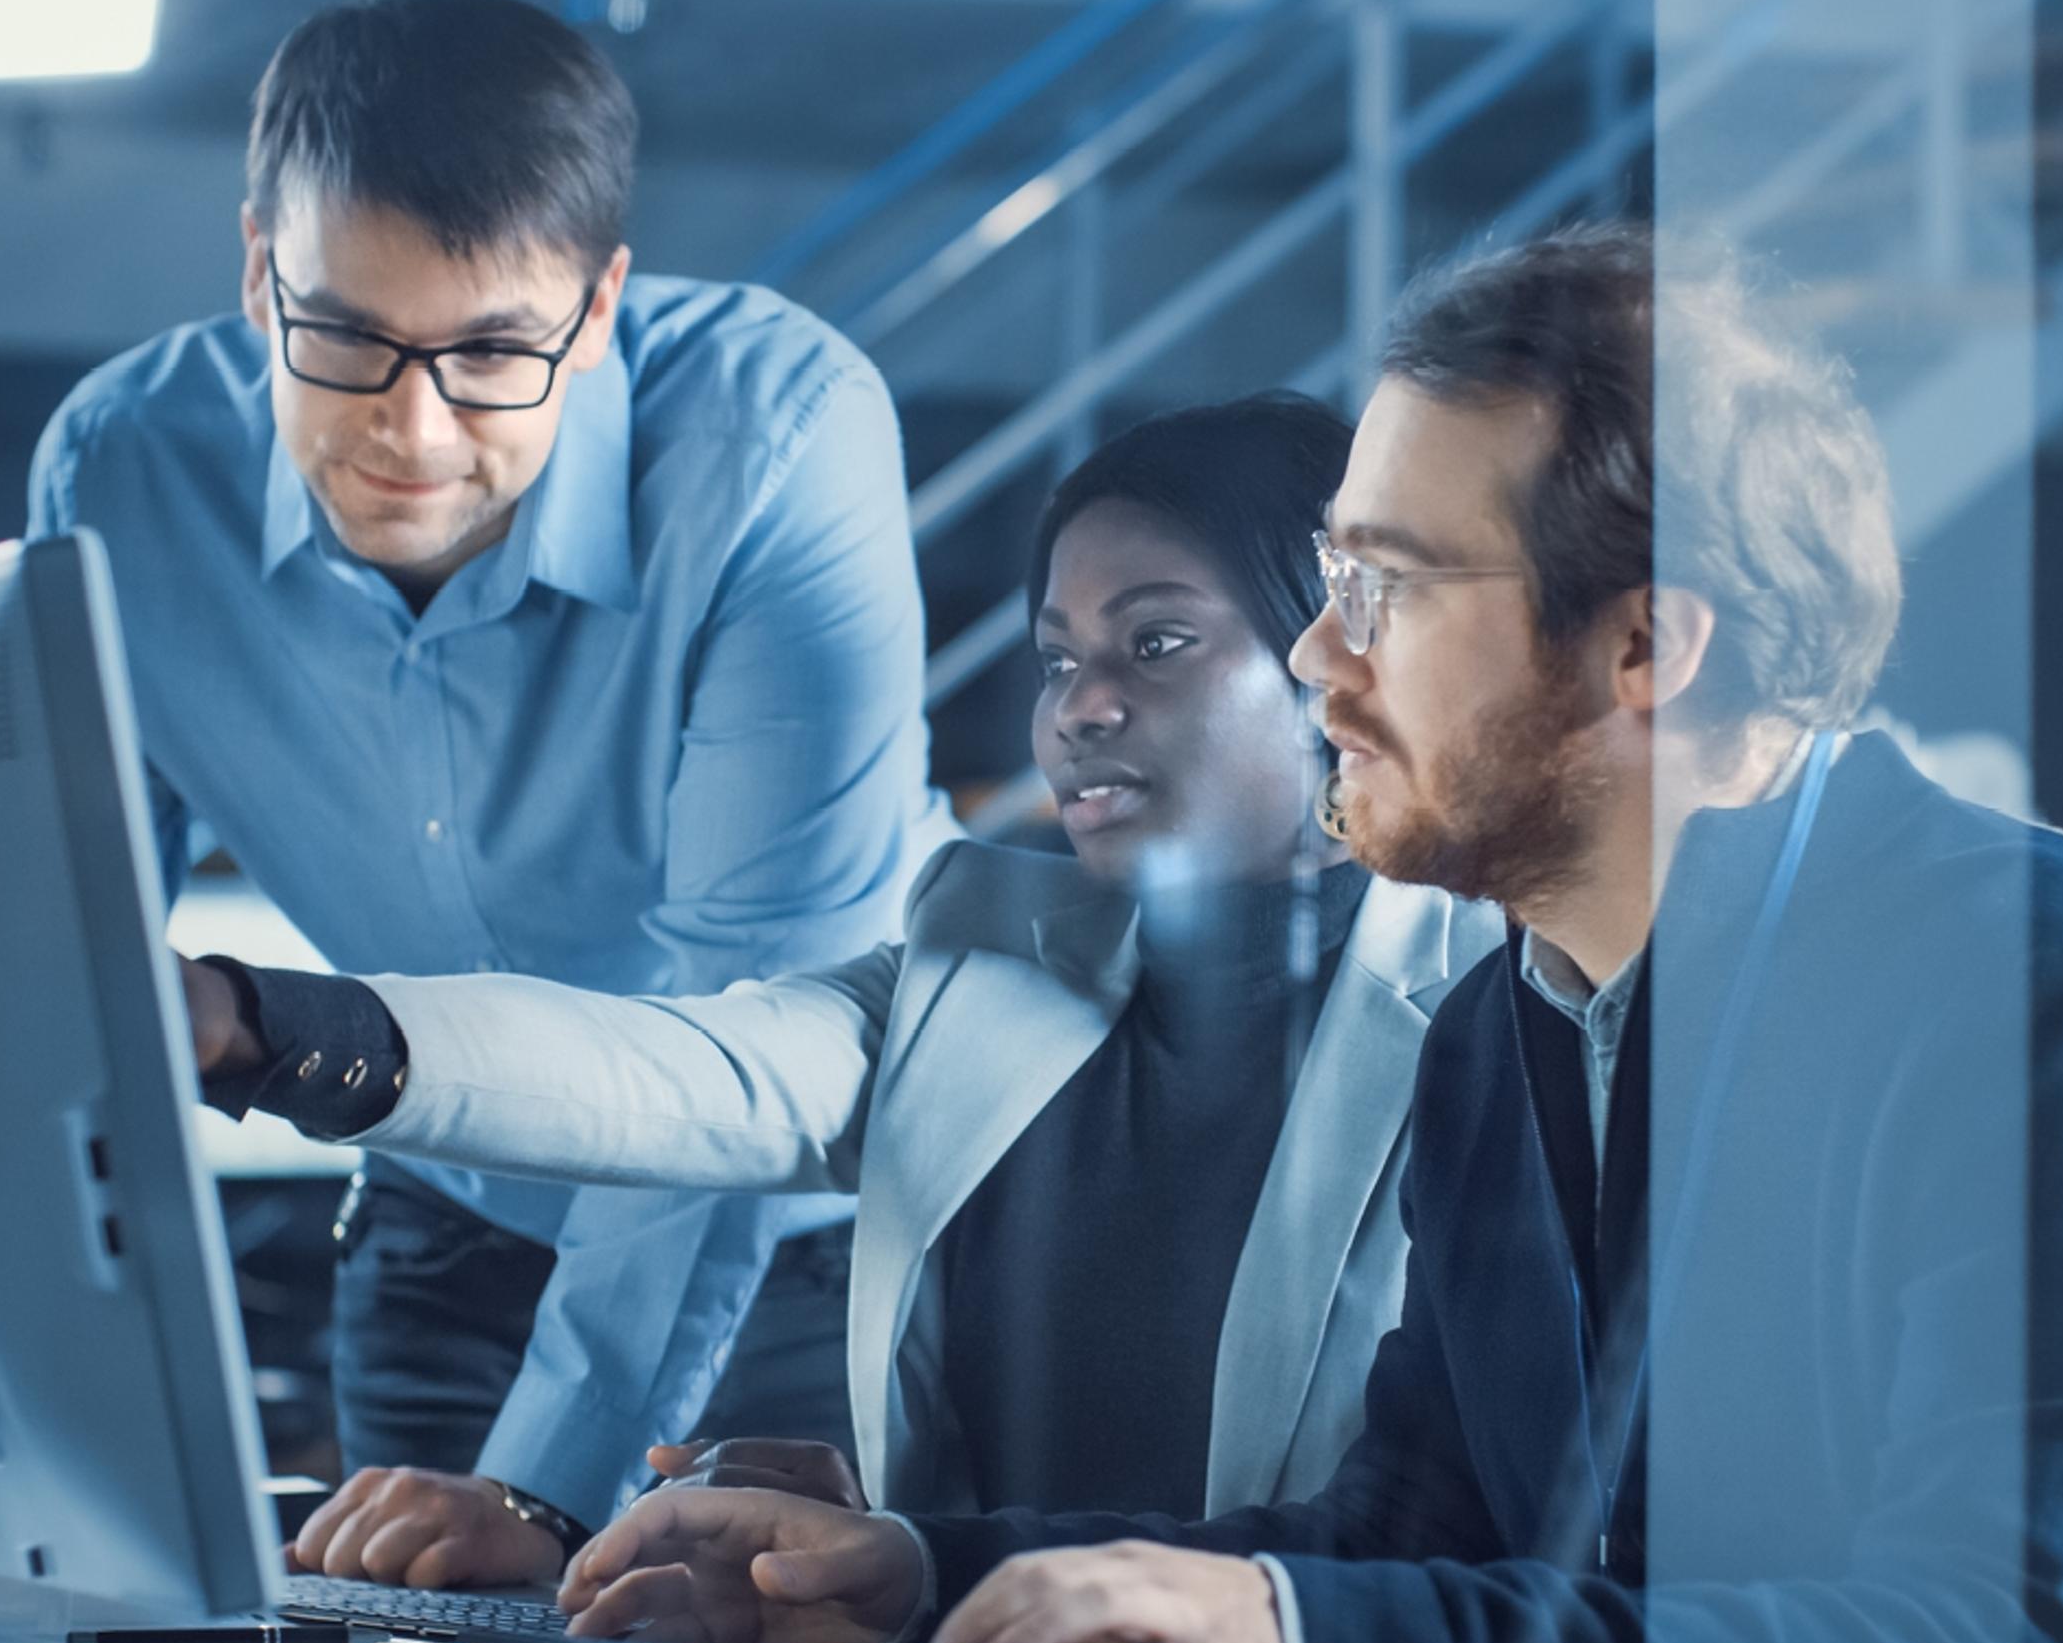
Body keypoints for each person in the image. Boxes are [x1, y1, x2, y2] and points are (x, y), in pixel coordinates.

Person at [548, 226, 2063, 1643]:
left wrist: (1308, 1631)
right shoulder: (1512, 1020)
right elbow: (1404, 1539)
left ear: (1648, 646)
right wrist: (915, 1578)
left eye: (1385, 591)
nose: (1318, 660)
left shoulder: (2051, 987)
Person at [182, 394, 1502, 1580]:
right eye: (1056, 659)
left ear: (1335, 662)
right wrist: (262, 1028)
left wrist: (911, 1549)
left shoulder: (1502, 1008)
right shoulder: (978, 952)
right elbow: (681, 1074)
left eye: (1156, 643)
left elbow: (1438, 1538)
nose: (1079, 709)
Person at [27, 0, 952, 1587]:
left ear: (595, 311)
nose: (414, 427)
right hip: (443, 1215)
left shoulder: (777, 442)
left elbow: (750, 1046)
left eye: (494, 353)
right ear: (259, 270)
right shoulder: (119, 469)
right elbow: (66, 957)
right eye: (346, 335)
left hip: (805, 1242)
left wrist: (544, 1485)